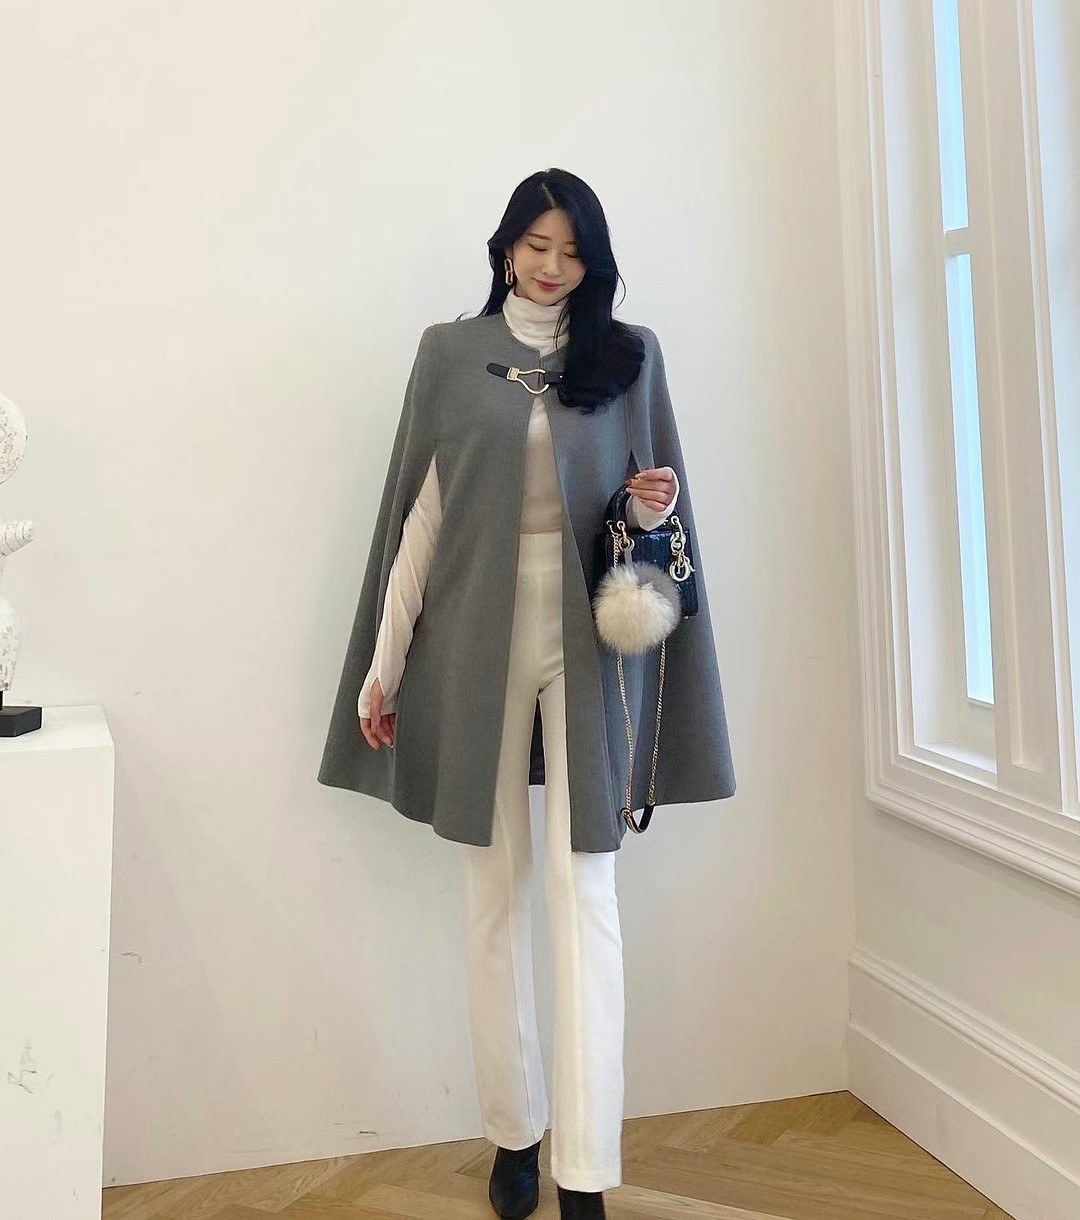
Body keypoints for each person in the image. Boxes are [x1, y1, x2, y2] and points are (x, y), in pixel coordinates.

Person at [318, 168, 736, 1220]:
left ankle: (585, 1165)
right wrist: (383, 663)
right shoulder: (447, 354)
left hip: (590, 642)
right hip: (472, 643)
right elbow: (419, 518)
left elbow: (653, 521)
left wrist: (651, 504)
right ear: (506, 246)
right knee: (493, 891)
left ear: (593, 261)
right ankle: (515, 1131)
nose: (553, 266)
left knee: (586, 892)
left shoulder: (629, 355)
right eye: (536, 244)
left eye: (573, 250)